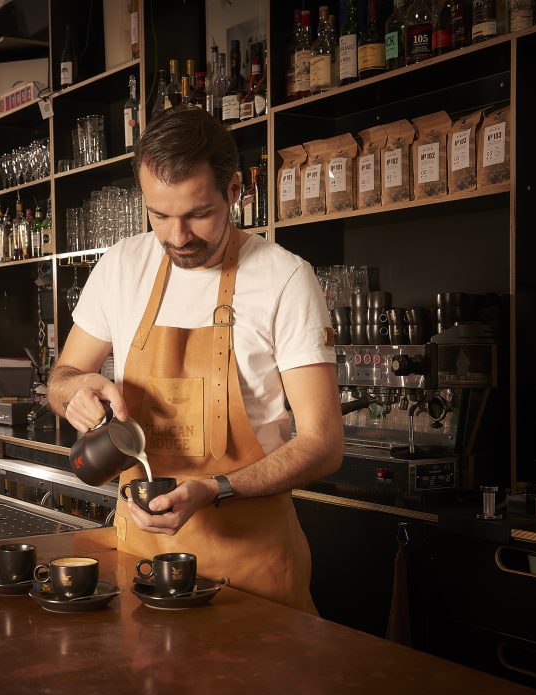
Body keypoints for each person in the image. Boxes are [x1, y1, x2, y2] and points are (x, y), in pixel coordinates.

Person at [47, 109, 343, 612]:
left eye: (198, 213)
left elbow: (324, 444)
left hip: (251, 573)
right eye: (159, 215)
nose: (178, 236)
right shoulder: (121, 266)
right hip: (142, 563)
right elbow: (61, 377)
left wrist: (215, 488)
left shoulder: (286, 279)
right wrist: (75, 391)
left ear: (233, 191)